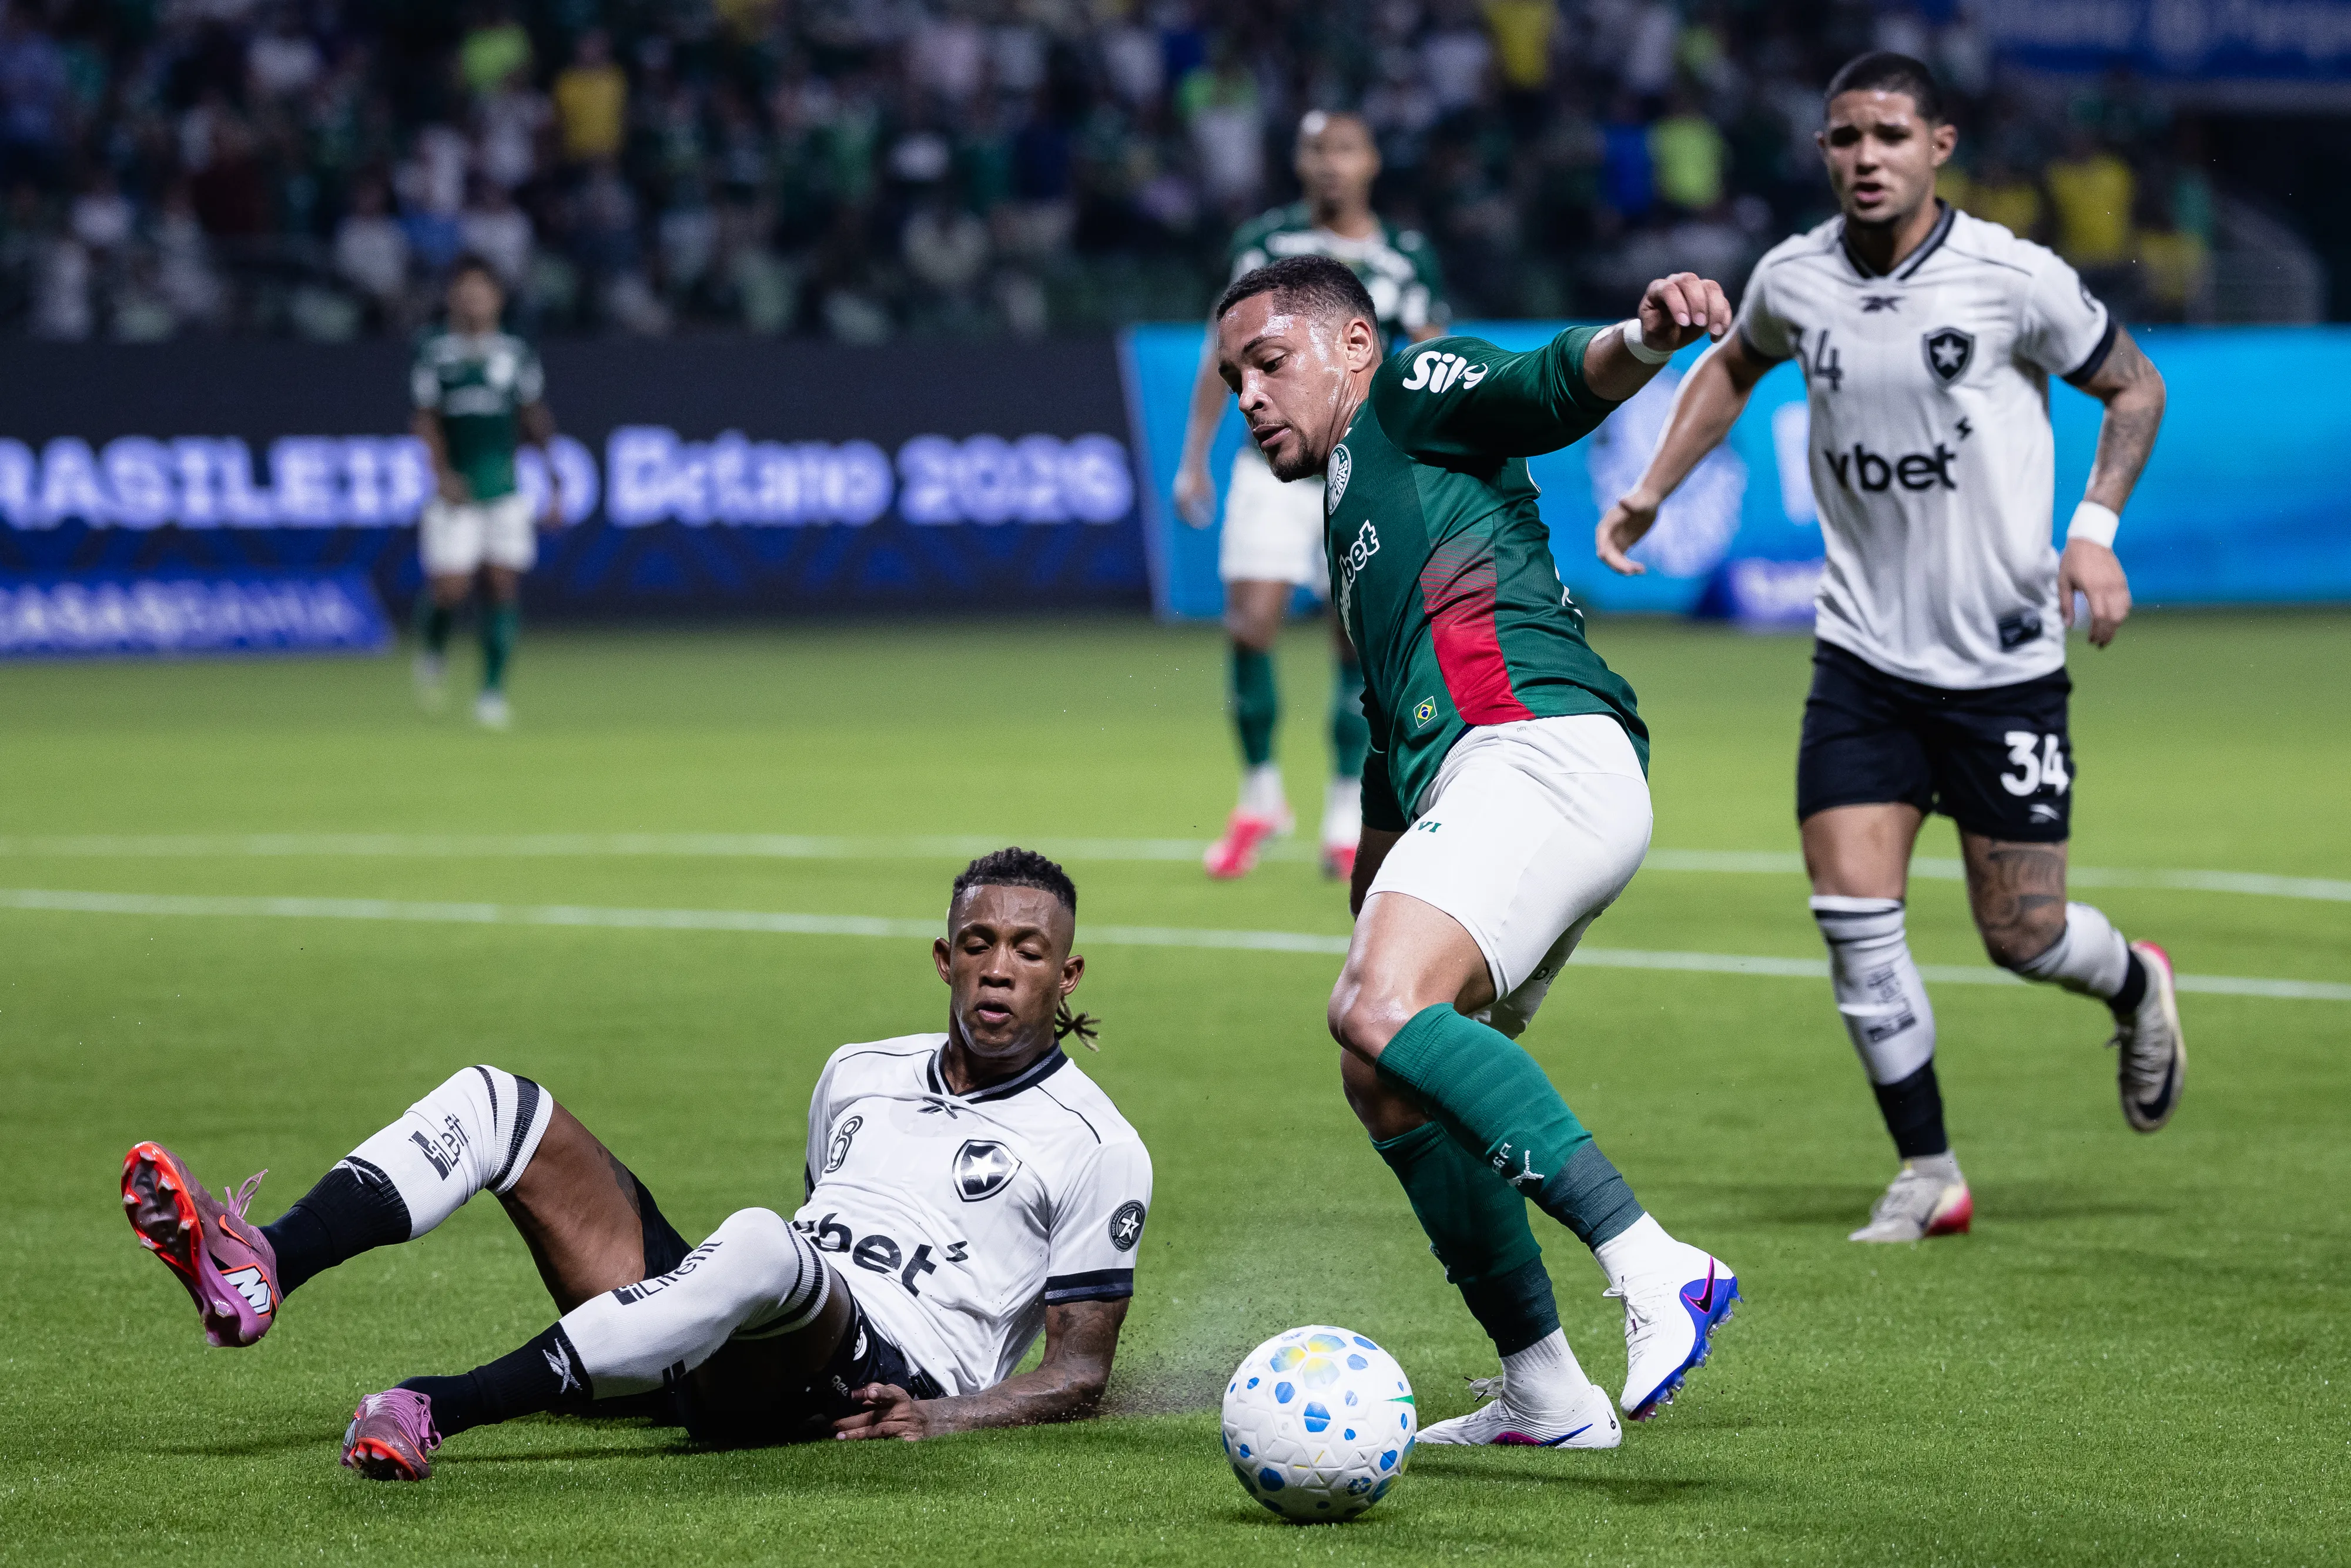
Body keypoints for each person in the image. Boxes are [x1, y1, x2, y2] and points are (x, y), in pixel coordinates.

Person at [1595, 52, 2181, 1246]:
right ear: (1822, 151)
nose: (1865, 157)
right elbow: (1731, 367)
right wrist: (1650, 489)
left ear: (1938, 146)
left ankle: (2132, 982)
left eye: (1889, 135)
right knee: (1852, 918)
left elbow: (2131, 390)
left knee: (2020, 936)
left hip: (2001, 663)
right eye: (1843, 137)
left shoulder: (2011, 278)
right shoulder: (1791, 276)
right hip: (1859, 660)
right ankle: (1927, 1168)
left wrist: (2091, 535)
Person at [118, 849, 1151, 1476]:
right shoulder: (856, 1071)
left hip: (883, 1374)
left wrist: (939, 1411)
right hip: (751, 1328)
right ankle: (261, 1267)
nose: (999, 968)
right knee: (496, 1100)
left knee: (758, 1238)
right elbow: (813, 1226)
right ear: (944, 956)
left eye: (1027, 949)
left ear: (1067, 973)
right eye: (978, 942)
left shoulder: (1096, 1142)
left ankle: (436, 1402)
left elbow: (1079, 1373)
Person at [1210, 252, 1741, 1449]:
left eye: (1270, 360)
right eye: (1233, 374)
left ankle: (1658, 1266)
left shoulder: (1406, 392)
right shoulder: (1355, 509)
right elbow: (1391, 742)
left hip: (1537, 751)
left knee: (1379, 1003)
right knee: (1385, 1068)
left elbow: (1547, 385)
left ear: (1352, 345)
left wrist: (1642, 337)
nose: (1247, 394)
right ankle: (1545, 1393)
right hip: (1488, 774)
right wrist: (1373, 897)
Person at [1173, 110, 1447, 882]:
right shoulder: (1264, 244)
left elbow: (1427, 357)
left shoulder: (1404, 255)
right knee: (1250, 622)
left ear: (1372, 161)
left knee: (1352, 643)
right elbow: (1217, 351)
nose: (1331, 165)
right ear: (1298, 161)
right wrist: (1193, 460)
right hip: (1271, 467)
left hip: (1363, 468)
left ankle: (1340, 812)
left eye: (1346, 150)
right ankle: (1260, 797)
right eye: (1317, 151)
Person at [410, 254, 562, 729]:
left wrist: (555, 478)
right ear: (454, 297)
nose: (473, 299)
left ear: (496, 298)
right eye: (465, 290)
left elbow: (533, 417)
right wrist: (441, 475)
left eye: (482, 290)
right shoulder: (436, 353)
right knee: (451, 588)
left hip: (504, 487)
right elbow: (426, 420)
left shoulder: (515, 355)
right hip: (456, 490)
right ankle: (434, 649)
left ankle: (492, 693)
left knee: (501, 584)